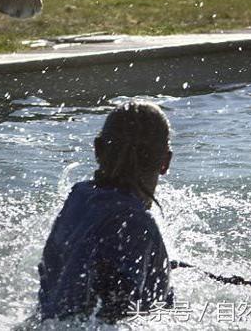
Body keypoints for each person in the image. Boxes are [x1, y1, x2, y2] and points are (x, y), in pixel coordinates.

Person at [38, 101, 175, 323]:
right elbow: (112, 314)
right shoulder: (132, 223)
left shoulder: (79, 198)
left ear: (98, 150)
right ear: (165, 162)